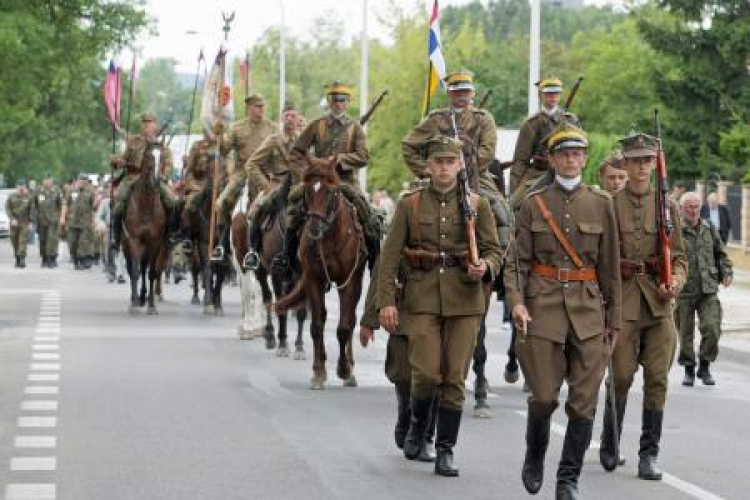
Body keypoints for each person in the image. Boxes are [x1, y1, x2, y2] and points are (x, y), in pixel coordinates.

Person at [504, 123, 621, 498]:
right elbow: (516, 263)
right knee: (543, 397)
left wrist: (614, 320)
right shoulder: (534, 204)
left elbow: (610, 267)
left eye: (578, 154)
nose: (572, 160)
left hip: (588, 312)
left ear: (585, 159)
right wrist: (517, 302)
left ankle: (567, 478)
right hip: (543, 308)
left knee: (583, 402)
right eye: (565, 154)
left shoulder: (602, 204)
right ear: (553, 160)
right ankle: (534, 456)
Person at [377, 135, 503, 477]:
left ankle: (446, 449)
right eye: (439, 162)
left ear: (460, 165)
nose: (445, 168)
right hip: (421, 298)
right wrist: (385, 302)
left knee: (455, 378)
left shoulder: (478, 205)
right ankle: (418, 425)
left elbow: (495, 250)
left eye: (451, 162)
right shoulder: (410, 205)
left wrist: (486, 267)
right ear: (429, 167)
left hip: (464, 300)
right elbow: (388, 259)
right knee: (426, 373)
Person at [602, 131, 688, 481]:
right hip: (622, 303)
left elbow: (680, 258)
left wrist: (675, 283)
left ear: (655, 164)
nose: (641, 167)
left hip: (658, 304)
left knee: (657, 380)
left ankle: (649, 455)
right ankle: (611, 440)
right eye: (635, 160)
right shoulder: (608, 205)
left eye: (647, 161)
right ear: (625, 162)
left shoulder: (667, 206)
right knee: (620, 377)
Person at [276, 81, 381, 274]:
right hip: (317, 180)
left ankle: (375, 262)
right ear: (329, 101)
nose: (337, 103)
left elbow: (364, 156)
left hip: (344, 181)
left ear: (347, 102)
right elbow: (297, 152)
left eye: (341, 100)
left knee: (369, 216)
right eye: (333, 99)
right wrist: (307, 175)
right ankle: (287, 257)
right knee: (293, 207)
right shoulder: (317, 125)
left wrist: (340, 160)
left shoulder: (354, 128)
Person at [359, 258, 438, 463]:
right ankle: (405, 412)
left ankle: (426, 435)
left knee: (434, 373)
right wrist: (369, 321)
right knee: (402, 372)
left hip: (440, 309)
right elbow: (382, 271)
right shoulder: (403, 228)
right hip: (406, 307)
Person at [675, 191, 733, 386]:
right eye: (689, 207)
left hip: (708, 288)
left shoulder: (709, 228)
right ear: (681, 209)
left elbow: (721, 253)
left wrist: (726, 272)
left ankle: (705, 366)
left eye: (696, 207)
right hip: (683, 290)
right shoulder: (674, 231)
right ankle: (689, 370)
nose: (693, 211)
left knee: (712, 329)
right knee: (685, 334)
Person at [214, 94, 276, 257]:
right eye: (258, 106)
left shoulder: (272, 127)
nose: (261, 110)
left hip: (265, 173)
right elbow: (224, 150)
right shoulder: (237, 128)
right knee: (221, 203)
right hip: (242, 173)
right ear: (249, 108)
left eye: (263, 106)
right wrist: (219, 137)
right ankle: (222, 244)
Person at [243, 103, 303, 269]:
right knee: (257, 209)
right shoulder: (273, 141)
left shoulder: (303, 141)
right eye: (286, 116)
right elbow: (251, 165)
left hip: (299, 186)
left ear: (298, 120)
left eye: (293, 116)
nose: (290, 119)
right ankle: (253, 252)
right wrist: (266, 186)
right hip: (276, 185)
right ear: (281, 119)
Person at [509, 77, 579, 209]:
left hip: (566, 171)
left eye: (556, 94)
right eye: (548, 94)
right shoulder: (531, 123)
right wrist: (514, 189)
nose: (552, 97)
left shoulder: (571, 120)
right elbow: (520, 160)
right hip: (538, 173)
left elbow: (579, 152)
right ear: (540, 95)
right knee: (515, 205)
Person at [110, 112, 176, 252]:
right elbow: (125, 158)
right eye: (145, 122)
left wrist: (163, 175)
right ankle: (115, 237)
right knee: (119, 203)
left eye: (150, 122)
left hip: (155, 178)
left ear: (155, 124)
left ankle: (170, 235)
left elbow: (169, 163)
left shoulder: (160, 143)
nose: (147, 125)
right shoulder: (134, 141)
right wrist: (117, 162)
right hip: (133, 177)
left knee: (172, 202)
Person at [180, 120, 230, 254]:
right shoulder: (198, 146)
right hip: (200, 185)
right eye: (214, 127)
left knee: (234, 209)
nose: (216, 131)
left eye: (219, 128)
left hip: (222, 187)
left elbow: (231, 169)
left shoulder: (226, 147)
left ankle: (229, 245)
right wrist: (193, 186)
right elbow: (189, 171)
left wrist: (227, 184)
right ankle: (188, 238)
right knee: (189, 205)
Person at [64, 174, 96, 270]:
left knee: (83, 242)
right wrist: (63, 217)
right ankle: (75, 260)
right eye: (80, 181)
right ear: (77, 181)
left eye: (84, 181)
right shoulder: (71, 190)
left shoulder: (90, 191)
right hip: (72, 221)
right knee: (72, 242)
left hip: (85, 222)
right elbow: (66, 204)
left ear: (86, 182)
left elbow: (93, 207)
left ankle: (81, 260)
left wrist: (93, 220)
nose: (82, 183)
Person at [33, 173, 63, 268]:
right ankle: (44, 258)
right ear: (43, 181)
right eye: (46, 180)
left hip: (53, 220)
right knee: (43, 240)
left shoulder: (57, 190)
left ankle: (52, 258)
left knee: (52, 239)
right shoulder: (38, 191)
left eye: (49, 180)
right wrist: (34, 217)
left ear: (52, 181)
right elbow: (34, 205)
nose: (48, 182)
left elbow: (61, 204)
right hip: (41, 220)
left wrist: (61, 217)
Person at [6, 180, 32, 268]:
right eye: (19, 186)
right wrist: (12, 218)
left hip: (24, 222)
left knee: (22, 241)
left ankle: (22, 259)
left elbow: (32, 210)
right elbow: (7, 208)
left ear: (25, 187)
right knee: (14, 241)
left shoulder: (28, 197)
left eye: (22, 186)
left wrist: (31, 222)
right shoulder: (11, 196)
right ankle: (17, 258)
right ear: (16, 187)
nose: (21, 188)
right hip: (14, 223)